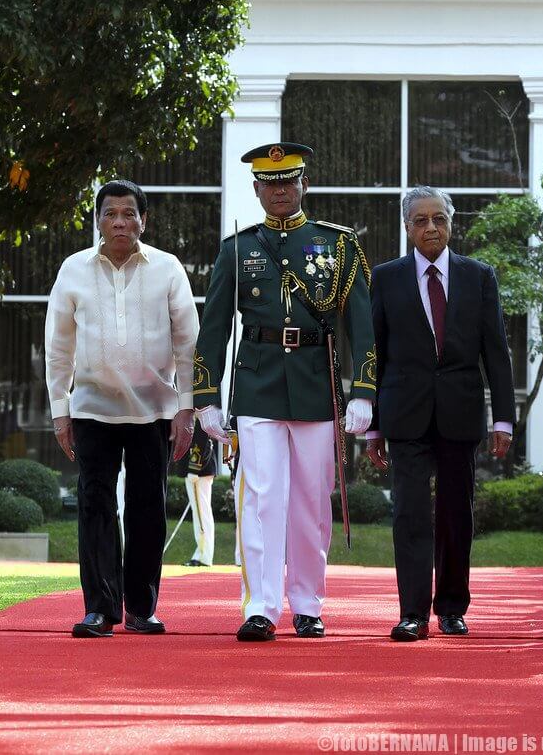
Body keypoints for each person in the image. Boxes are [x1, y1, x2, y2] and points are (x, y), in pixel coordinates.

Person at [194, 142, 376, 642]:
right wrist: (206, 397)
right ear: (256, 190)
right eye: (270, 183)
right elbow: (212, 328)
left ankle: (308, 603)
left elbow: (360, 322)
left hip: (317, 383)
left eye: (288, 181)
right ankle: (260, 606)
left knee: (312, 501)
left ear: (304, 185)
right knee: (261, 498)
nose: (280, 190)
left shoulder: (337, 245)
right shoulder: (238, 247)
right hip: (257, 384)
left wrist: (362, 390)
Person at [45, 180, 199, 638]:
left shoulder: (168, 268)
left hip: (155, 410)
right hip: (91, 408)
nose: (119, 222)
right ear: (98, 220)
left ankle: (141, 609)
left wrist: (186, 409)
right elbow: (58, 347)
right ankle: (100, 608)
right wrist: (60, 409)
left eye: (129, 213)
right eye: (110, 213)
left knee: (148, 508)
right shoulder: (73, 269)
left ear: (143, 220)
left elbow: (188, 344)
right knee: (94, 505)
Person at [364, 185, 517, 642]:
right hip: (404, 415)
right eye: (421, 220)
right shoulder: (386, 278)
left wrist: (503, 420)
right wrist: (372, 425)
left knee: (456, 514)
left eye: (439, 219)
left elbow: (498, 352)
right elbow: (376, 352)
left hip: (461, 413)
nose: (431, 227)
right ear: (407, 227)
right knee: (410, 514)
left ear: (452, 224)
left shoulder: (479, 277)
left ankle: (451, 607)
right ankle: (412, 612)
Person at [177, 427, 218, 568]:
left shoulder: (197, 409)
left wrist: (194, 468)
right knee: (201, 513)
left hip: (199, 470)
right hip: (200, 468)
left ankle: (204, 555)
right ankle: (202, 553)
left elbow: (200, 439)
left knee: (201, 514)